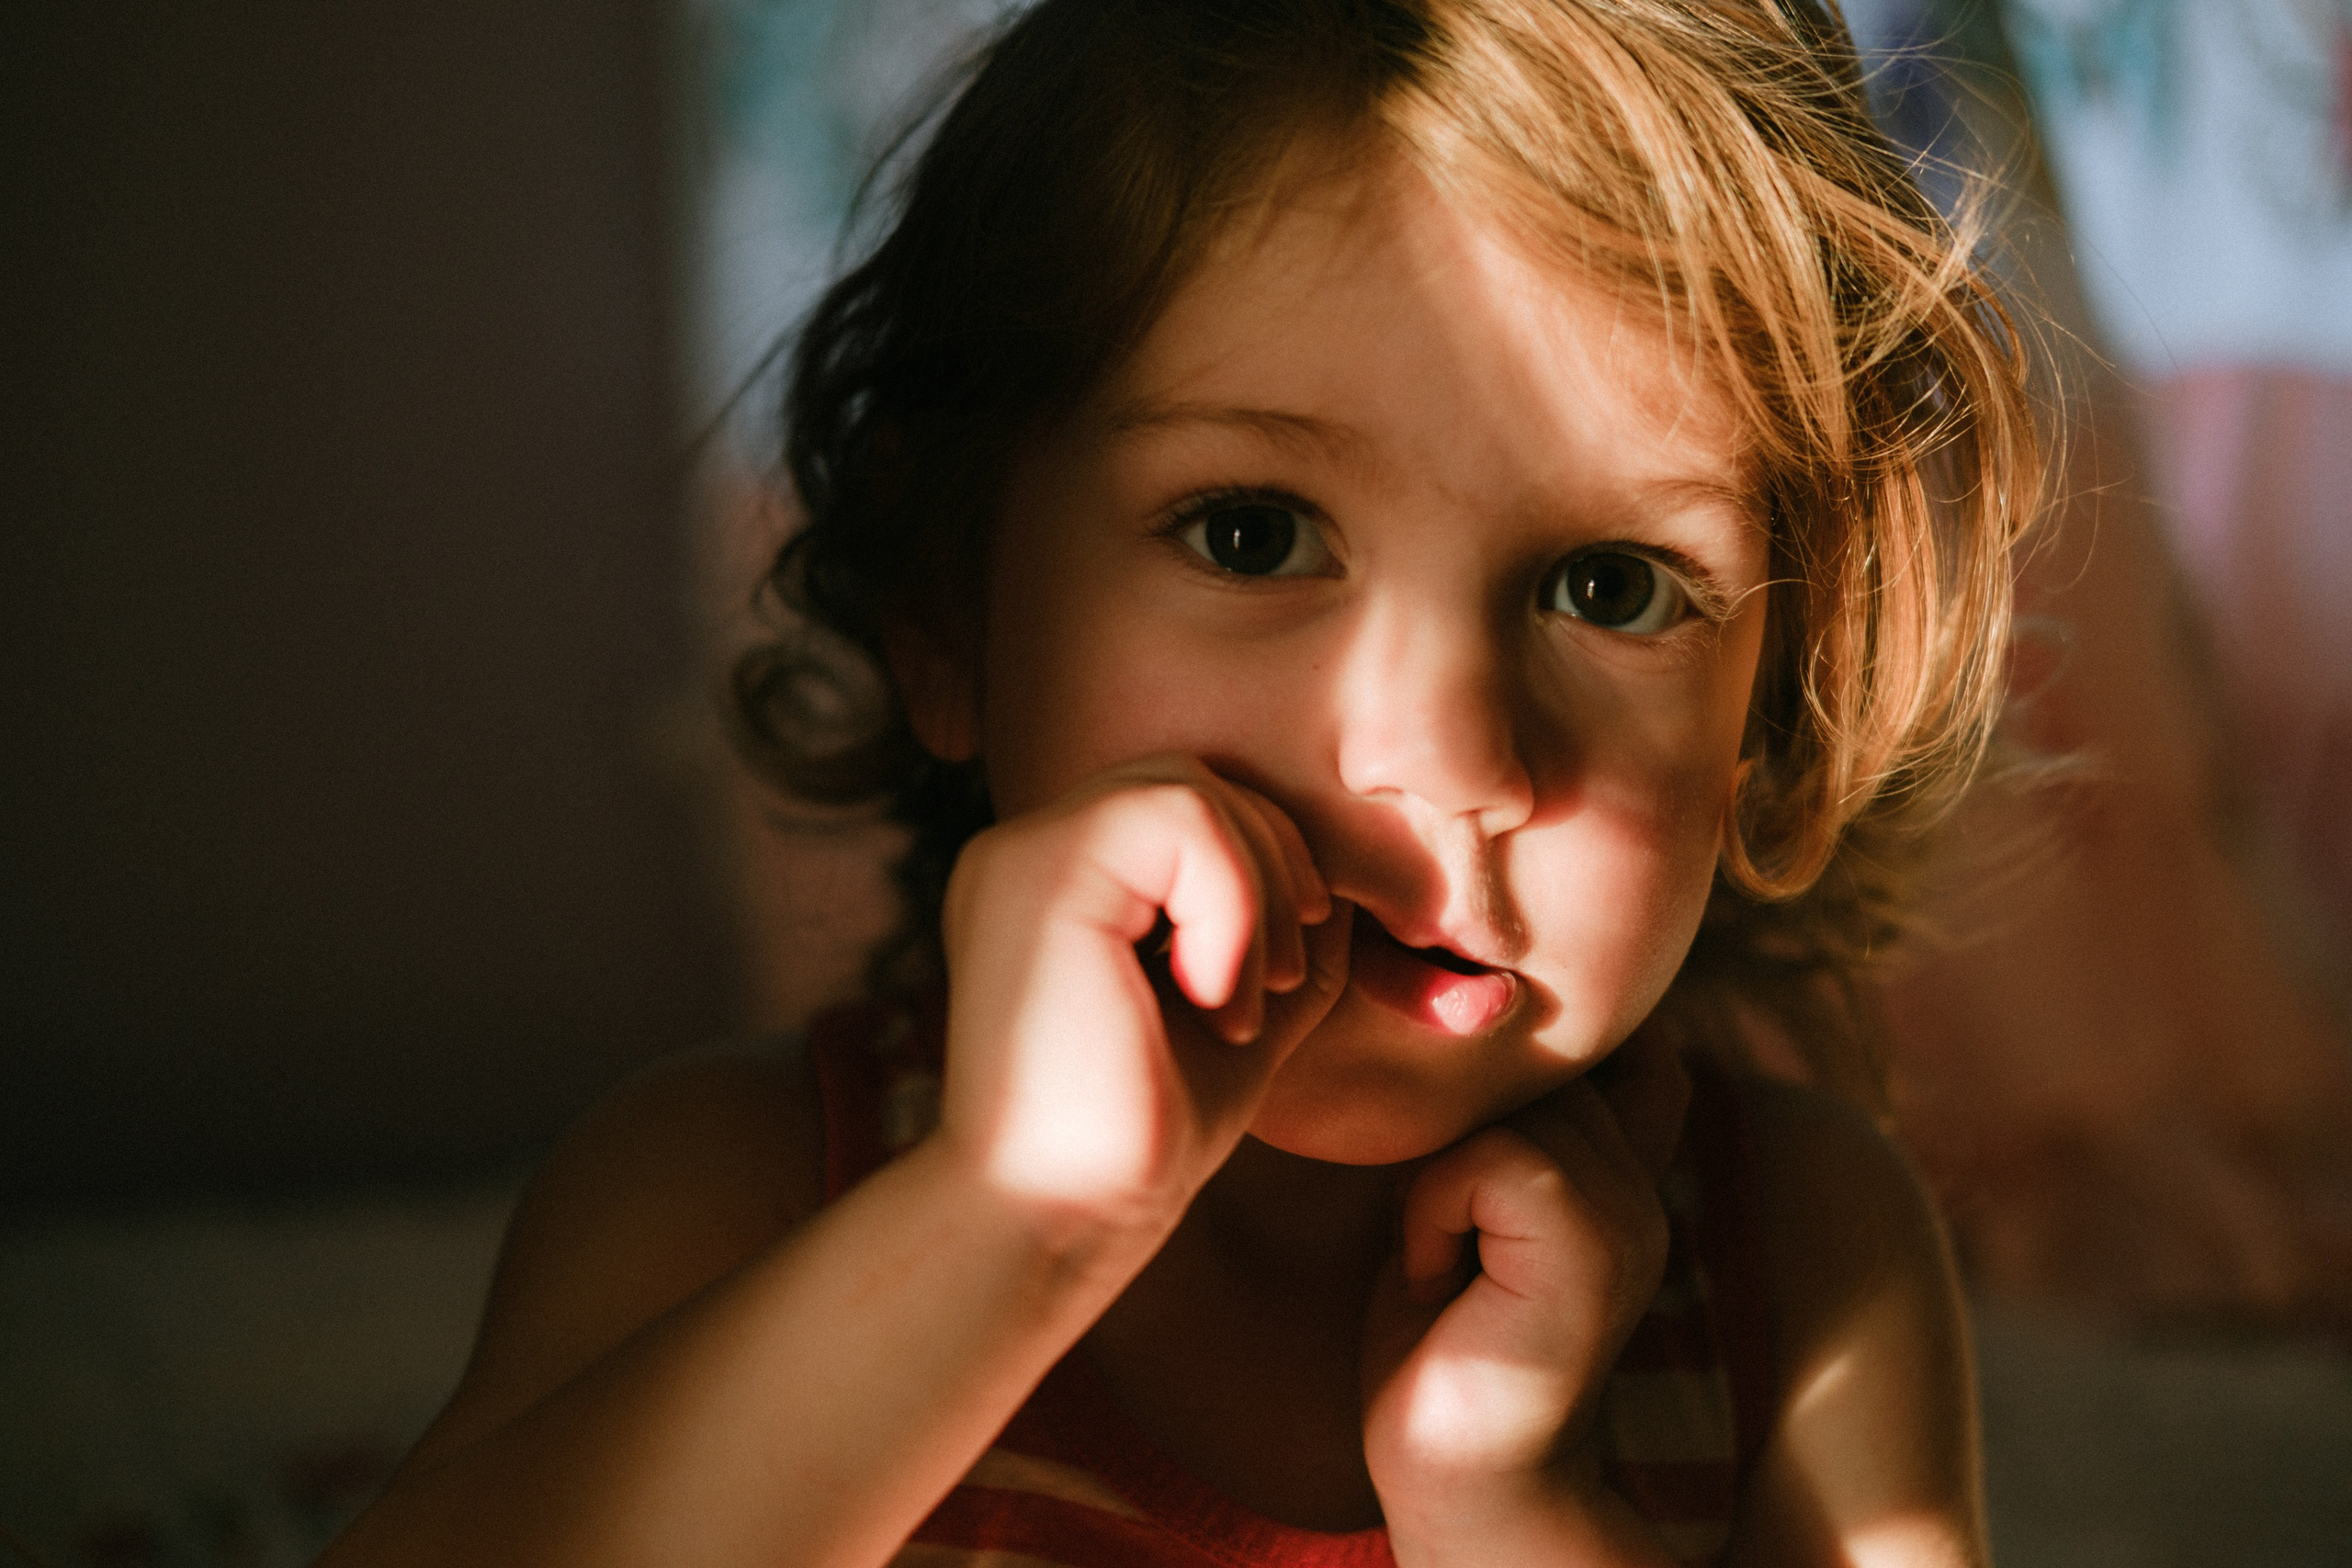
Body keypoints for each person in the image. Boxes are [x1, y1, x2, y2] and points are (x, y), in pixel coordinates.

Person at [323, 1, 2038, 1563]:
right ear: (945, 599)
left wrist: (1508, 1507)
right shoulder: (739, 1191)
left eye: (1612, 586)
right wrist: (1027, 1224)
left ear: (1780, 715)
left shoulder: (1797, 1266)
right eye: (1252, 534)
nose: (1445, 761)